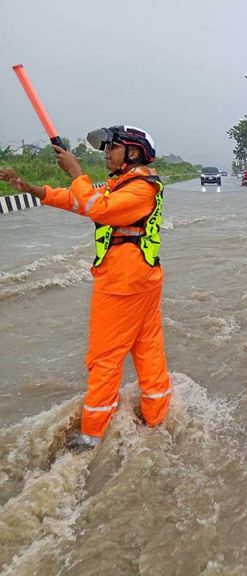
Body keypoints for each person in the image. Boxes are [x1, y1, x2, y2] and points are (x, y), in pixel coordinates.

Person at [0, 126, 172, 450]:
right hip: (140, 280)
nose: (106, 152)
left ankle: (91, 439)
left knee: (104, 359)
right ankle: (156, 420)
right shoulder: (123, 185)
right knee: (147, 351)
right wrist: (30, 188)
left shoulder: (140, 188)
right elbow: (78, 201)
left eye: (112, 147)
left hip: (123, 284)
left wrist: (76, 171)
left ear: (133, 152)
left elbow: (97, 208)